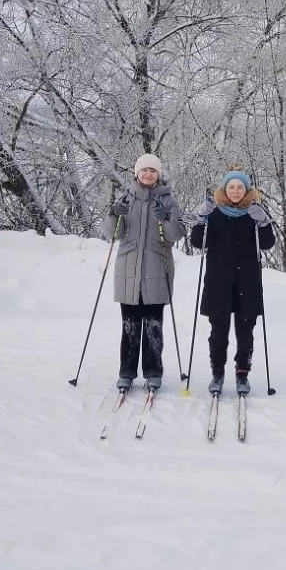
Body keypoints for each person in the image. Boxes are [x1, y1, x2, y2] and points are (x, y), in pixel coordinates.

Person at [189, 165, 275, 396]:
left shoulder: (254, 213)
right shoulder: (215, 214)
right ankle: (217, 372)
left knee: (245, 333)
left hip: (247, 282)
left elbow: (267, 243)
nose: (235, 191)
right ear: (224, 190)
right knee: (218, 332)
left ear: (246, 190)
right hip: (219, 283)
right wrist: (201, 220)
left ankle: (242, 372)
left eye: (240, 187)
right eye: (231, 187)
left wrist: (263, 222)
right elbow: (198, 243)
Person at [103, 153, 186, 392]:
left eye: (153, 170)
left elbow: (176, 235)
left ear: (158, 174)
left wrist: (166, 218)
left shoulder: (168, 201)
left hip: (157, 269)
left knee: (153, 326)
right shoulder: (125, 198)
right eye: (144, 170)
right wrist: (113, 214)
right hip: (128, 271)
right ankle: (126, 372)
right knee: (129, 326)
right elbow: (112, 235)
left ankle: (153, 372)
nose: (148, 174)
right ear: (137, 173)